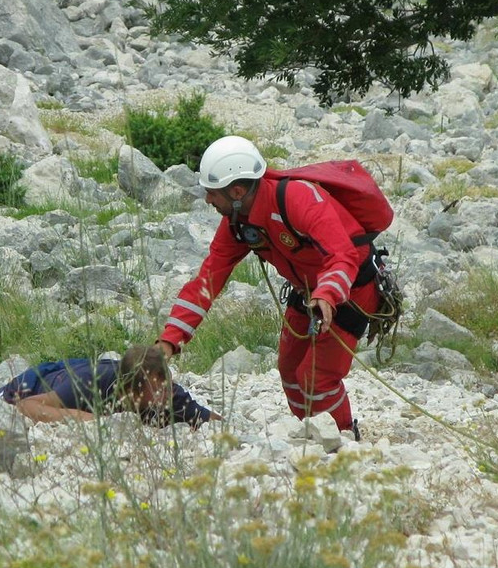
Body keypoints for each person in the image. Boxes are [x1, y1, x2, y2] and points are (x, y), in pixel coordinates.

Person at [157, 136, 379, 439]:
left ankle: (342, 439)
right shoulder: (238, 222)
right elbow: (206, 282)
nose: (208, 200)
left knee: (317, 377)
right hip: (308, 290)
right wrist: (168, 342)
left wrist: (326, 295)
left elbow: (343, 256)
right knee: (289, 370)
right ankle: (311, 433)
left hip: (352, 289)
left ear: (236, 191)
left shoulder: (298, 199)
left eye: (211, 193)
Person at [0, 345, 221, 428]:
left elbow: (206, 420)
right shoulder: (96, 382)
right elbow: (29, 406)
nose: (162, 395)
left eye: (164, 385)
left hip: (72, 376)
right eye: (154, 389)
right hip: (41, 382)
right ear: (130, 386)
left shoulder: (171, 396)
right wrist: (86, 420)